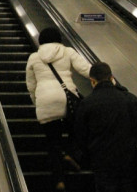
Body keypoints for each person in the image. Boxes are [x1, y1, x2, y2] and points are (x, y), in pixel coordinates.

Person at [26, 27, 91, 192]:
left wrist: (37, 102)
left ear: (41, 40)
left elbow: (31, 85)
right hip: (66, 98)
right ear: (58, 39)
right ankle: (69, 152)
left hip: (45, 100)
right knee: (75, 131)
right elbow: (86, 69)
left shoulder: (34, 57)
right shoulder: (68, 51)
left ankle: (59, 180)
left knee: (52, 143)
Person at [75, 62, 137, 192]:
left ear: (92, 81)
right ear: (112, 78)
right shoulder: (130, 99)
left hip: (102, 163)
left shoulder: (87, 104)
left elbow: (81, 136)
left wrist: (89, 155)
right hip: (129, 162)